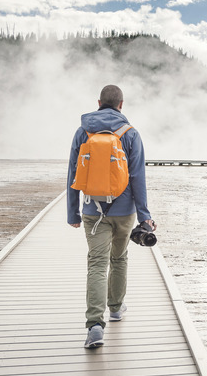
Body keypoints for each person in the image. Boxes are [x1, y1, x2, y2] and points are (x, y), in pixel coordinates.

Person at [67, 84, 156, 349]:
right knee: (119, 258)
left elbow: (72, 173)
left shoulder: (83, 132)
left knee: (96, 264)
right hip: (125, 211)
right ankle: (116, 308)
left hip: (93, 210)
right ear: (121, 104)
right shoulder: (130, 133)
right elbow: (138, 177)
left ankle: (95, 325)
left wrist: (72, 211)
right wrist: (145, 216)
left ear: (98, 102)